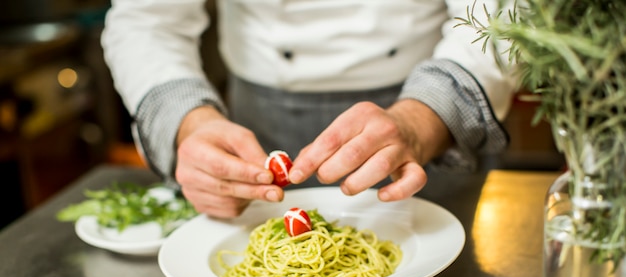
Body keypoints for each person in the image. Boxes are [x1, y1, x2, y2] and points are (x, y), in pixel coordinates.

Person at [101, 0, 515, 219]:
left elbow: (505, 14)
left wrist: (419, 121)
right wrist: (190, 124)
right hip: (256, 121)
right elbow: (146, 20)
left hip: (431, 121)